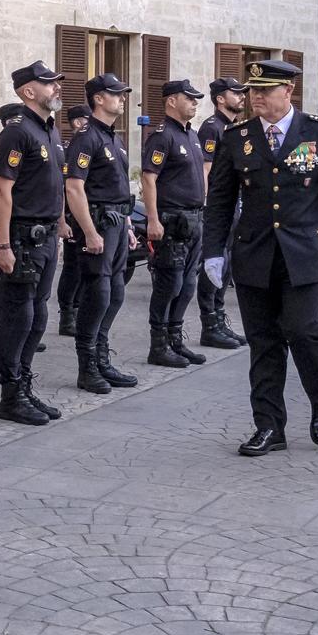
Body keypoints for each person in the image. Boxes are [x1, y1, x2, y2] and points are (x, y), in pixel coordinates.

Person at [202, 57, 318, 456]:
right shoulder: (237, 136)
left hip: (305, 254)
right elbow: (220, 199)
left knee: (303, 329)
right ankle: (269, 426)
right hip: (254, 253)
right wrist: (213, 252)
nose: (254, 97)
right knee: (263, 342)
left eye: (264, 91)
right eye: (251, 90)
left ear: (288, 91)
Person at [0, 61, 65, 425]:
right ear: (27, 91)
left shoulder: (49, 130)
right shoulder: (17, 132)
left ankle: (25, 384)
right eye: (48, 83)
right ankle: (11, 395)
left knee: (38, 316)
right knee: (19, 317)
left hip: (46, 236)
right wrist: (3, 245)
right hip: (22, 238)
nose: (56, 88)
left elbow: (54, 186)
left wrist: (60, 225)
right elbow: (0, 190)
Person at [65, 72, 139, 395]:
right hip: (99, 225)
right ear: (98, 98)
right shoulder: (87, 137)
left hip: (118, 223)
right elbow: (74, 187)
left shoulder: (114, 138)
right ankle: (88, 367)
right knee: (98, 294)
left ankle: (102, 356)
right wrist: (90, 232)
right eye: (116, 94)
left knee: (116, 292)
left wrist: (128, 224)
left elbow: (118, 188)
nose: (121, 98)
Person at [141, 79, 208, 369]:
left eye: (196, 99)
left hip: (194, 219)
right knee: (170, 283)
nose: (194, 103)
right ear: (171, 101)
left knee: (188, 284)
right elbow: (148, 178)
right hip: (172, 220)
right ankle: (159, 346)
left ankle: (176, 341)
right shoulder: (162, 135)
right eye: (189, 98)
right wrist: (153, 219)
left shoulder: (190, 135)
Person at [195, 79, 248, 350]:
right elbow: (206, 169)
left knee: (226, 265)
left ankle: (219, 319)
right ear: (219, 99)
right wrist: (207, 205)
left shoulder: (235, 128)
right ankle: (209, 325)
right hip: (217, 205)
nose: (242, 97)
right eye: (235, 93)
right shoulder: (212, 128)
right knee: (213, 264)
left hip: (235, 204)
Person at [55, 103, 91, 338]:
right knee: (72, 269)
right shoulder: (68, 149)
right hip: (70, 216)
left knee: (85, 269)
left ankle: (78, 312)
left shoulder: (89, 145)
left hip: (87, 214)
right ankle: (67, 315)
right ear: (77, 122)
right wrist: (62, 221)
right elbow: (60, 188)